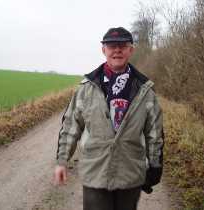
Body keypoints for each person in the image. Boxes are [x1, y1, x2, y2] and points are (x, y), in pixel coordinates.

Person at [53, 27, 164, 210]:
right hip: (95, 172)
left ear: (131, 50)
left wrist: (154, 167)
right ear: (103, 50)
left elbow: (154, 133)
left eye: (122, 45)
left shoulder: (145, 90)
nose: (117, 50)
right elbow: (71, 126)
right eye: (112, 45)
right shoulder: (87, 88)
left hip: (130, 174)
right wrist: (62, 161)